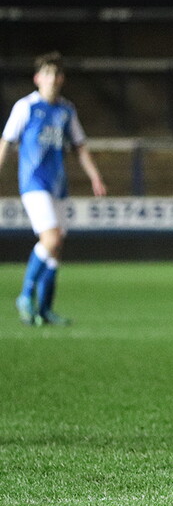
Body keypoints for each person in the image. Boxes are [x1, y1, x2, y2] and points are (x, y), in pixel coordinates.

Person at [0, 51, 107, 326]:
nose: (53, 78)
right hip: (34, 183)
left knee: (56, 249)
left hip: (58, 185)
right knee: (51, 239)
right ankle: (25, 295)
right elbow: (7, 141)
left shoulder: (66, 110)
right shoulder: (26, 107)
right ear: (38, 78)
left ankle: (45, 309)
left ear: (62, 79)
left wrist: (95, 177)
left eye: (57, 74)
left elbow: (80, 147)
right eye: (47, 73)